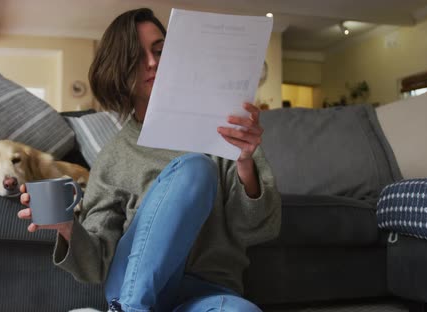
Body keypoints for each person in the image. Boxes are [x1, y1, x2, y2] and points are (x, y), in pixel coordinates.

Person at [18, 8, 281, 312]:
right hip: (136, 289)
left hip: (207, 292)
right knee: (196, 168)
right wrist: (67, 228)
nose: (153, 62)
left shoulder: (227, 131)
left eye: (159, 51)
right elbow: (97, 263)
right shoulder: (115, 156)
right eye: (137, 56)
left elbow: (259, 229)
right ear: (119, 69)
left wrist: (245, 161)